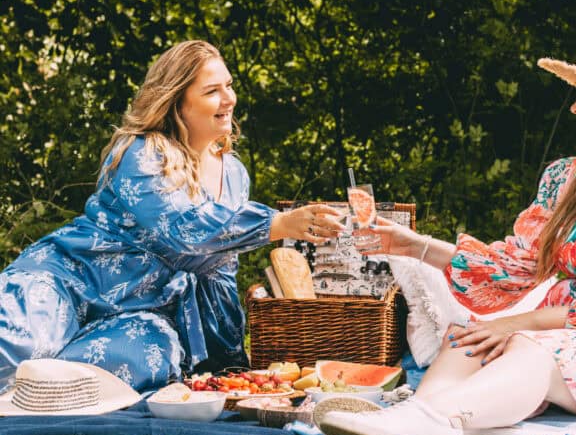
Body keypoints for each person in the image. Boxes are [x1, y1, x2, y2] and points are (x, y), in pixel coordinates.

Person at [0, 40, 344, 393]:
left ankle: (41, 389)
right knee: (20, 350)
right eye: (212, 90)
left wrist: (232, 364)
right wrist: (277, 223)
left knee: (154, 355)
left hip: (137, 313)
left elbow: (219, 275)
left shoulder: (235, 175)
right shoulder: (141, 152)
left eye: (230, 85)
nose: (229, 99)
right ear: (177, 102)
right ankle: (30, 376)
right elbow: (183, 228)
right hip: (69, 282)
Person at [315, 47, 576, 435]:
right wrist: (411, 245)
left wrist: (523, 323)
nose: (575, 106)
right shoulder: (565, 178)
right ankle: (416, 418)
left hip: (572, 338)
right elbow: (512, 267)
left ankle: (436, 423)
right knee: (467, 337)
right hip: (565, 330)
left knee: (530, 348)